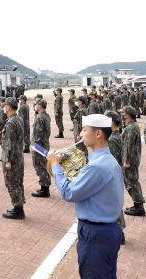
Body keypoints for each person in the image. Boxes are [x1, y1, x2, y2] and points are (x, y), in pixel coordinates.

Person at [48, 114, 124, 278]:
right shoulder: (107, 161)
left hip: (96, 233)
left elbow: (69, 193)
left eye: (84, 130)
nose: (80, 134)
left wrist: (55, 165)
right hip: (105, 231)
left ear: (98, 134)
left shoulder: (96, 166)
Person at [0, 97, 25, 219]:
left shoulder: (10, 123)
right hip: (19, 157)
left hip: (12, 159)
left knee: (12, 183)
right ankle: (19, 206)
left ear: (9, 107)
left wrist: (8, 160)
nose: (4, 107)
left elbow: (8, 143)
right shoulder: (18, 119)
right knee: (18, 182)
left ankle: (18, 209)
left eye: (5, 105)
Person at [105, 111, 126, 243]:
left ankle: (119, 233)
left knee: (114, 203)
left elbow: (110, 161)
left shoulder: (112, 139)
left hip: (112, 175)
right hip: (117, 173)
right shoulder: (117, 135)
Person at [31, 99, 51, 198]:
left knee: (40, 166)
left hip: (39, 145)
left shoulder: (39, 117)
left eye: (36, 104)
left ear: (40, 106)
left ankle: (44, 189)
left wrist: (35, 147)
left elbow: (37, 135)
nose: (35, 105)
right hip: (45, 144)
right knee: (44, 166)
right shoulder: (46, 115)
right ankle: (45, 187)